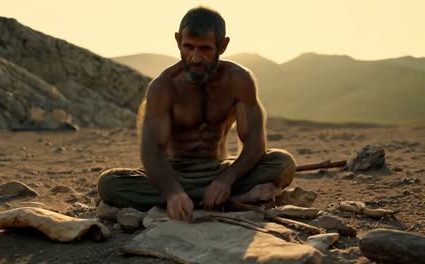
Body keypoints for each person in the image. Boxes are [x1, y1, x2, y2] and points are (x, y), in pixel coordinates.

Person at [98, 6, 296, 221]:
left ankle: (203, 198)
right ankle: (216, 200)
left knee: (282, 162)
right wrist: (172, 192)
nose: (195, 58)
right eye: (188, 47)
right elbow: (152, 150)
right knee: (110, 183)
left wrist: (226, 180)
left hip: (218, 169)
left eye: (205, 49)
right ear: (177, 41)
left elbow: (255, 143)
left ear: (223, 45)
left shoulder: (238, 80)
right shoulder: (164, 86)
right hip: (175, 173)